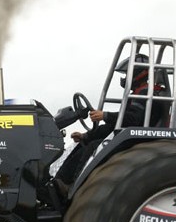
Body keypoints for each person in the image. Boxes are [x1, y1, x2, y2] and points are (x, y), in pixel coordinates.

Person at [55, 55, 169, 192]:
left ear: (137, 73)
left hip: (138, 138)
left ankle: (75, 189)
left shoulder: (146, 93)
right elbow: (116, 125)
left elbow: (133, 120)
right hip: (129, 135)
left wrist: (105, 115)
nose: (125, 78)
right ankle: (59, 183)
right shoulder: (139, 93)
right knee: (85, 143)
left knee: (94, 147)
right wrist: (86, 136)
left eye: (127, 74)